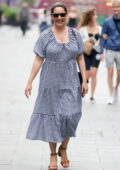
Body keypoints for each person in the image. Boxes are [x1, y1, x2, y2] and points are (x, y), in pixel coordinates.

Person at [25, 2, 88, 170]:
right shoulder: (45, 35)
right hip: (50, 82)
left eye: (62, 14)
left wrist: (84, 79)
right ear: (51, 17)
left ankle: (64, 147)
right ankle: (53, 154)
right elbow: (38, 59)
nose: (59, 17)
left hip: (71, 81)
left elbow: (80, 57)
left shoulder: (75, 35)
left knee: (72, 116)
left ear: (66, 16)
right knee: (52, 117)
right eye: (56, 15)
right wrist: (29, 81)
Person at [78, 8, 102, 102]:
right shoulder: (83, 29)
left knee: (93, 73)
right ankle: (83, 91)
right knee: (86, 74)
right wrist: (87, 40)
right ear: (90, 17)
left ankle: (92, 95)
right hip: (86, 52)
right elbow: (79, 41)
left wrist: (102, 53)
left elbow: (102, 42)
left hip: (96, 51)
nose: (96, 17)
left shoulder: (100, 28)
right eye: (94, 15)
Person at [101, 0, 120, 105]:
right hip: (110, 49)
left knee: (119, 74)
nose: (115, 9)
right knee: (110, 72)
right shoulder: (107, 21)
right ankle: (111, 95)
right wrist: (101, 52)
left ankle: (116, 88)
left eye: (117, 7)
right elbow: (103, 36)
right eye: (114, 7)